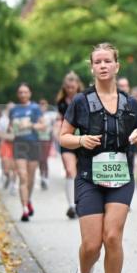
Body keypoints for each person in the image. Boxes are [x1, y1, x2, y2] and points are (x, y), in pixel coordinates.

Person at [59, 43, 137, 273]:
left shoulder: (130, 104)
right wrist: (80, 140)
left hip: (121, 177)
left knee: (112, 236)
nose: (103, 65)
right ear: (92, 68)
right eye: (97, 61)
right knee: (91, 244)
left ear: (116, 65)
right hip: (89, 177)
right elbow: (63, 136)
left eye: (107, 61)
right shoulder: (80, 102)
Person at [8, 84, 44, 221]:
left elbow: (43, 125)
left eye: (25, 92)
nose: (23, 94)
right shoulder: (14, 110)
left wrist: (30, 125)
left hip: (33, 144)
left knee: (31, 177)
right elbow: (10, 127)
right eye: (20, 92)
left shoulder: (35, 108)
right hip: (19, 145)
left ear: (30, 93)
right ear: (18, 94)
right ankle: (24, 210)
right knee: (22, 176)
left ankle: (28, 200)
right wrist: (12, 130)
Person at [56, 72, 84, 219]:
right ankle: (72, 206)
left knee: (80, 173)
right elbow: (59, 120)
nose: (70, 89)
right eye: (67, 87)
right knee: (69, 170)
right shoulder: (61, 102)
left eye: (73, 87)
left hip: (84, 140)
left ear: (78, 85)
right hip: (67, 140)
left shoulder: (85, 99)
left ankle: (81, 203)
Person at [37, 99, 55, 190]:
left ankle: (46, 177)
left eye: (44, 105)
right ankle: (42, 177)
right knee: (40, 159)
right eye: (41, 105)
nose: (42, 107)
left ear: (46, 106)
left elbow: (53, 127)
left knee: (44, 159)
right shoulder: (36, 116)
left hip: (47, 140)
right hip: (38, 140)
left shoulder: (50, 116)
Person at [0, 102, 16, 193]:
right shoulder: (2, 120)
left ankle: (13, 185)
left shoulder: (18, 118)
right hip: (5, 144)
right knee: (6, 167)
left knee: (14, 167)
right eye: (10, 108)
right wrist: (9, 136)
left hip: (16, 145)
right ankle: (7, 177)